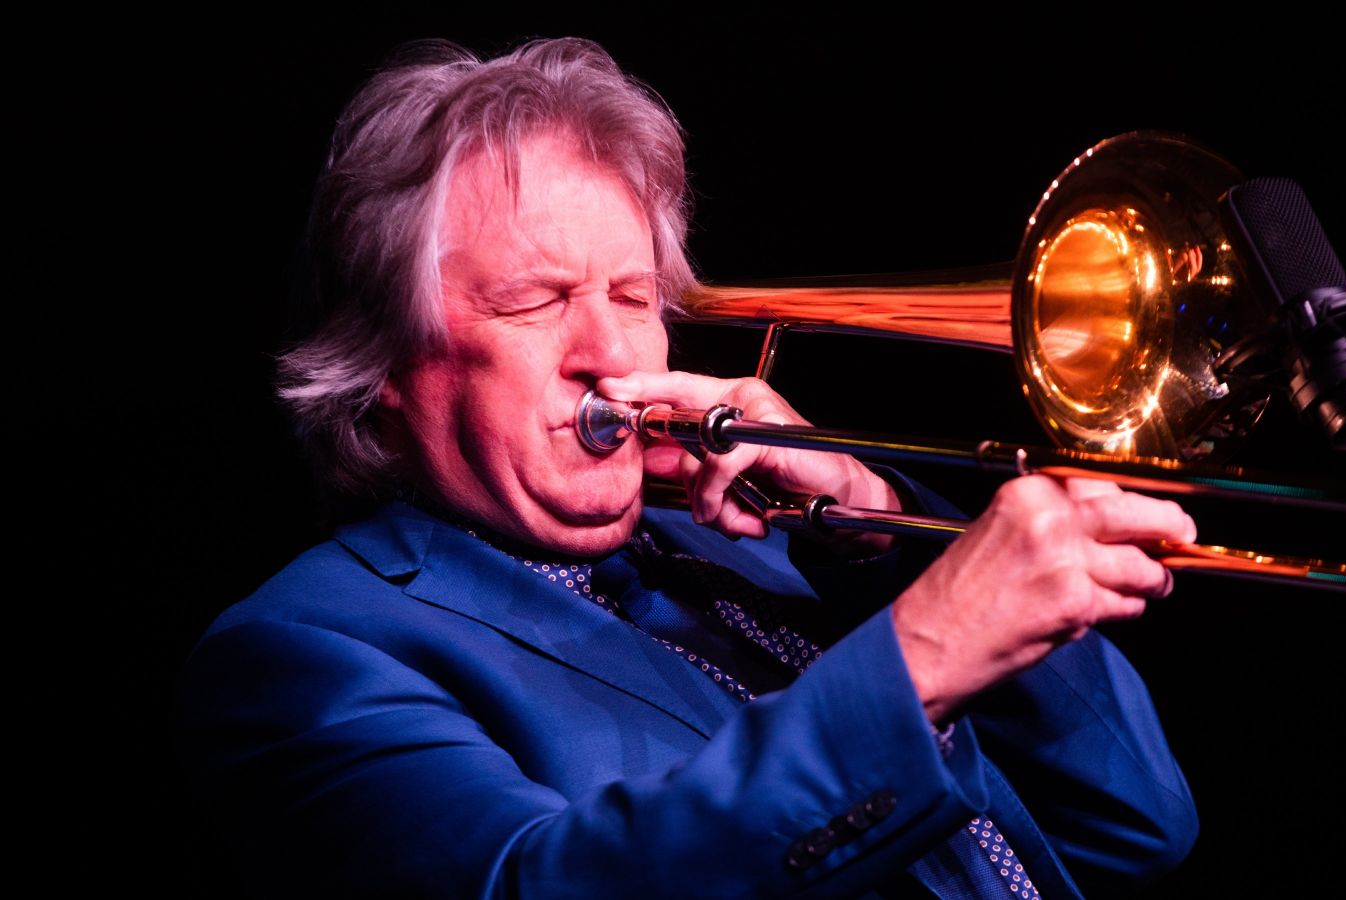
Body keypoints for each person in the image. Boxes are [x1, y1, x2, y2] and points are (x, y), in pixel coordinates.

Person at [177, 37, 1199, 898]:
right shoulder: (305, 654)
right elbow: (538, 883)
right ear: (388, 360)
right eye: (536, 299)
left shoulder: (773, 555)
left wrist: (887, 539)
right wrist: (921, 652)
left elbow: (1135, 823)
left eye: (632, 297)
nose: (613, 353)